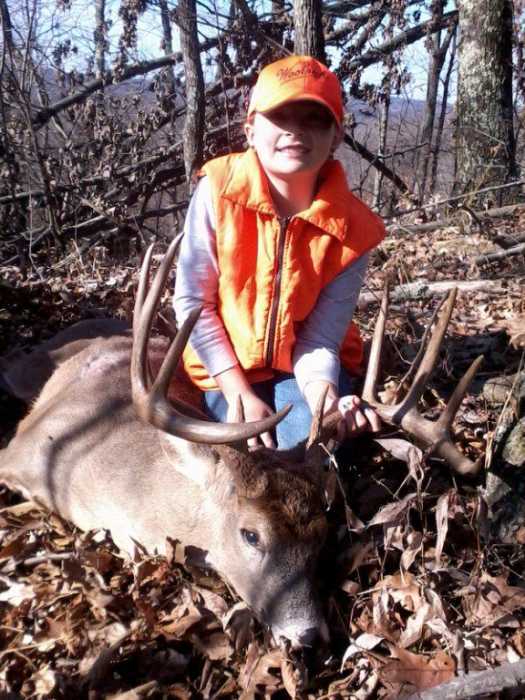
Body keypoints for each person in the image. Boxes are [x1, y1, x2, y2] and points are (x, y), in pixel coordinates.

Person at [174, 55, 385, 450]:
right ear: (251, 130)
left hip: (303, 369)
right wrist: (237, 392)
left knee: (308, 446)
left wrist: (326, 401)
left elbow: (320, 340)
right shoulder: (217, 190)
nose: (296, 132)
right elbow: (192, 304)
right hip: (225, 366)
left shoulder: (354, 229)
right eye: (279, 117)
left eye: (314, 119)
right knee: (247, 450)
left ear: (336, 136)